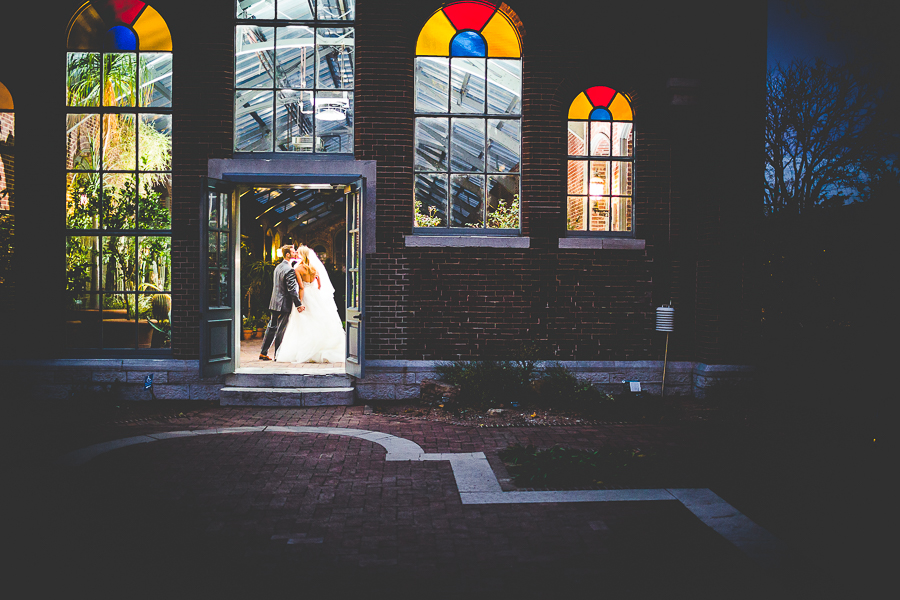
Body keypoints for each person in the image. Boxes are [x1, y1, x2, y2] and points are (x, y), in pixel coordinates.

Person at [275, 245, 345, 363]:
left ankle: (305, 349)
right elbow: (319, 284)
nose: (296, 253)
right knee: (318, 319)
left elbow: (301, 287)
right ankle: (320, 346)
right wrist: (315, 288)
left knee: (302, 322)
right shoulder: (314, 268)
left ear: (302, 255)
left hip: (306, 295)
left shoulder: (298, 268)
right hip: (315, 295)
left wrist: (300, 302)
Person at [258, 245, 305, 361]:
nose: (295, 253)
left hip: (274, 301)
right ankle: (277, 355)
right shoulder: (289, 270)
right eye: (293, 252)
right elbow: (291, 290)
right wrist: (298, 304)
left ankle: (263, 352)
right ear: (288, 254)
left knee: (271, 327)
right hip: (284, 303)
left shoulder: (278, 267)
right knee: (281, 329)